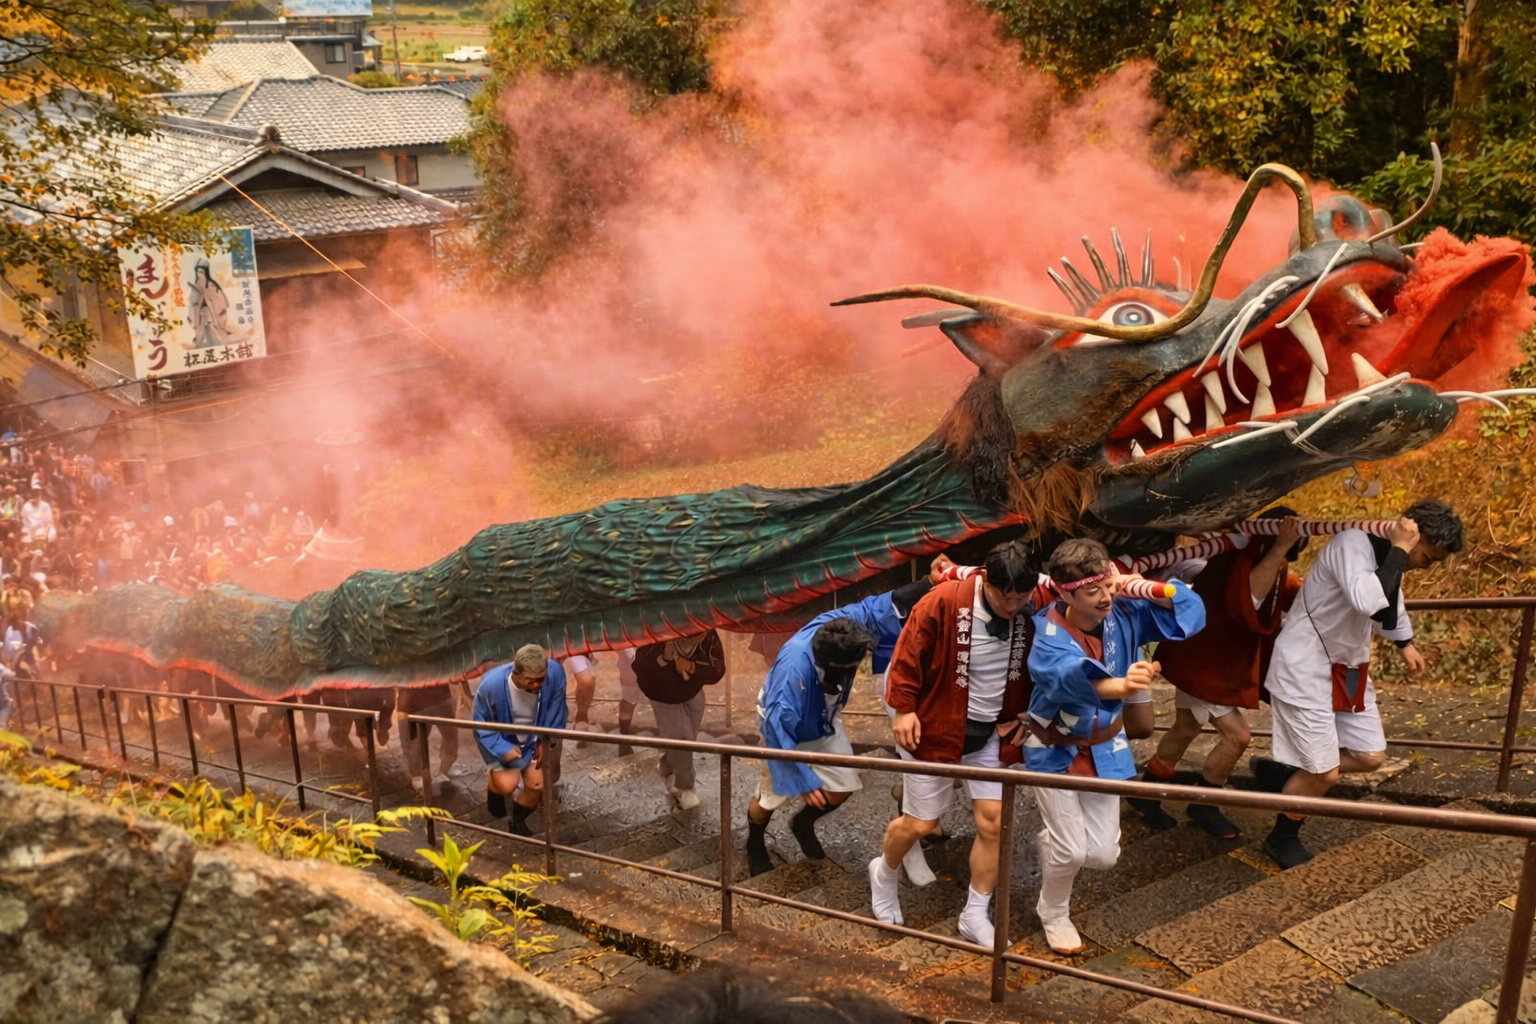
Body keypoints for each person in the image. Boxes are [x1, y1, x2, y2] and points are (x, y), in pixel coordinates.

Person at [1255, 500, 1462, 869]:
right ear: (1415, 536)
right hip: (1306, 665)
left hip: (1348, 668)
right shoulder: (1352, 543)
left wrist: (1404, 644)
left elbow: (1390, 597)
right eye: (1427, 557)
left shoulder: (1389, 556)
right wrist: (1399, 549)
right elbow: (1368, 599)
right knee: (1325, 773)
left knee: (1370, 756)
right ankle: (1281, 837)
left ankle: (1285, 774)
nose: (1424, 566)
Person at [1027, 538, 1205, 954]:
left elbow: (1189, 612)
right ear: (1066, 592)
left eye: (1108, 586)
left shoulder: (1121, 611)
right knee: (1072, 851)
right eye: (1094, 591)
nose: (1106, 596)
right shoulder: (1047, 631)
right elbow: (1066, 678)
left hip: (1107, 746)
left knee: (1104, 854)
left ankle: (1053, 843)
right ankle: (1053, 912)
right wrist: (1124, 685)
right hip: (1054, 748)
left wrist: (1144, 587)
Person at [870, 539, 1042, 946]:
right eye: (1006, 596)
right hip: (934, 724)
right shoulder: (944, 601)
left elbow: (1040, 669)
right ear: (987, 580)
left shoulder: (1029, 614)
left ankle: (974, 912)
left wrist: (1028, 715)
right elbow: (907, 656)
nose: (1014, 604)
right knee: (921, 822)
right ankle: (884, 871)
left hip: (989, 731)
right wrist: (904, 709)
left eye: (1023, 596)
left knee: (993, 822)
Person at [1129, 510, 1305, 838]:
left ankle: (1147, 793)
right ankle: (1205, 802)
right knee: (1238, 736)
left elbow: (1278, 586)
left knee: (1185, 727)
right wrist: (1281, 546)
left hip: (1206, 656)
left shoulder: (1251, 556)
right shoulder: (1244, 559)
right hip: (1208, 659)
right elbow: (1250, 597)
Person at [748, 579, 935, 876]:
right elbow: (776, 732)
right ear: (835, 665)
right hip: (785, 731)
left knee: (843, 786)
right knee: (769, 799)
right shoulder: (793, 675)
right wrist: (804, 778)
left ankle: (803, 822)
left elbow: (872, 610)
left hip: (823, 720)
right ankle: (754, 842)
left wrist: (927, 583)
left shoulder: (840, 629)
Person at [472, 644, 569, 837]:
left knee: (537, 784)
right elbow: (480, 723)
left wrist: (546, 741)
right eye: (531, 681)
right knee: (507, 784)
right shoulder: (491, 686)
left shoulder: (555, 673)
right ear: (516, 673)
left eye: (541, 680)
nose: (537, 686)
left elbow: (556, 710)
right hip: (504, 738)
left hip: (535, 739)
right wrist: (501, 748)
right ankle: (494, 790)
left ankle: (517, 820)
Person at [634, 630, 727, 810]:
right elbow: (640, 665)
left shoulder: (707, 632)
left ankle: (668, 761)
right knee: (681, 739)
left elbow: (717, 668)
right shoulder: (657, 629)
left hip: (692, 689)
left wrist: (692, 667)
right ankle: (685, 787)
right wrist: (663, 659)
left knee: (689, 737)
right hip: (663, 693)